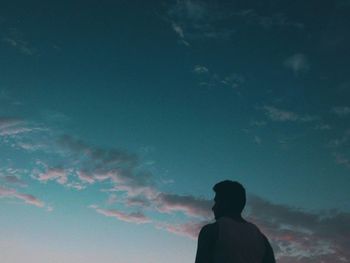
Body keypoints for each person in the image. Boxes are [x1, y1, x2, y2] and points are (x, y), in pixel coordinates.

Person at [195, 180, 276, 263]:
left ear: (225, 203)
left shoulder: (211, 231)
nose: (213, 208)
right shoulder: (261, 239)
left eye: (216, 201)